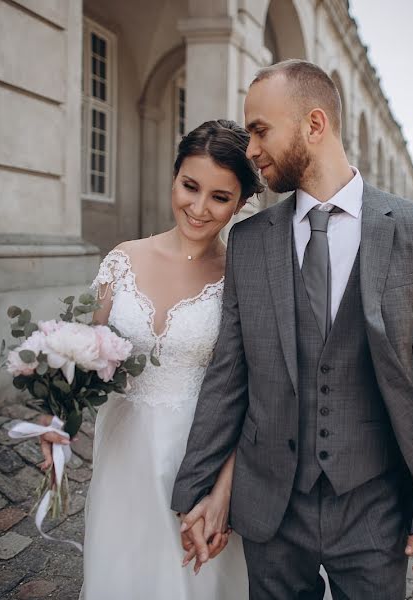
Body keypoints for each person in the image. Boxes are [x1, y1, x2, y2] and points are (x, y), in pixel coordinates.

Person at [172, 59, 413, 600]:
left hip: (376, 507)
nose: (250, 149)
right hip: (272, 508)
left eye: (260, 130)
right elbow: (227, 373)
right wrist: (195, 488)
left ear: (314, 124)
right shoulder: (251, 240)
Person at [38, 120, 262, 599]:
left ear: (241, 203)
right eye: (190, 186)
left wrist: (224, 492)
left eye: (220, 198)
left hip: (199, 456)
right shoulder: (123, 258)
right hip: (123, 454)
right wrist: (57, 416)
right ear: (175, 175)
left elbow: (254, 395)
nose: (199, 208)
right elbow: (82, 349)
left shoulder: (244, 279)